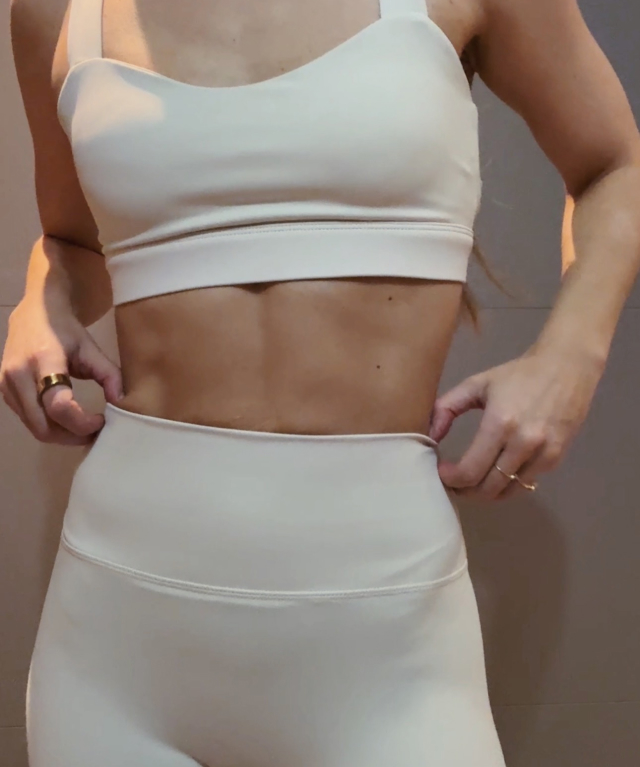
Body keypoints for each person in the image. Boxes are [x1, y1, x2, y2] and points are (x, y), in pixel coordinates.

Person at [3, 0, 640, 764]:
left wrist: (570, 359)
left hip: (390, 639)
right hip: (118, 631)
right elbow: (72, 240)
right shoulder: (56, 13)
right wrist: (40, 306)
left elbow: (615, 166)